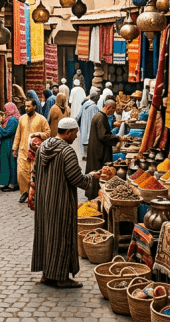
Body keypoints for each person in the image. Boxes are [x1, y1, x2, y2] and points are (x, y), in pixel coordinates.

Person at [31, 117, 100, 288]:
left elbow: (35, 172)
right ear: (67, 132)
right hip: (60, 202)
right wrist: (92, 176)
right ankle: (62, 279)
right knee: (61, 238)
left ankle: (46, 275)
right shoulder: (67, 152)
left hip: (44, 201)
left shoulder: (43, 147)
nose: (76, 137)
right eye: (75, 133)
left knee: (46, 236)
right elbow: (77, 179)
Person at [13, 97, 51, 204]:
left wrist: (39, 134)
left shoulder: (41, 119)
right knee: (21, 173)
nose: (26, 108)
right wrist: (14, 148)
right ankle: (25, 192)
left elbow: (48, 133)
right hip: (23, 150)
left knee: (34, 174)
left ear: (34, 106)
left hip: (35, 152)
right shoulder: (22, 119)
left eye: (29, 106)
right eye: (25, 106)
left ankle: (33, 193)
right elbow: (18, 134)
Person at [84, 99, 123, 199]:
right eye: (113, 109)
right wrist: (118, 138)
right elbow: (103, 136)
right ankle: (96, 195)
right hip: (99, 151)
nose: (113, 112)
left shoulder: (99, 116)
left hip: (96, 149)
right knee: (99, 172)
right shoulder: (101, 117)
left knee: (96, 171)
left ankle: (93, 194)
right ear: (108, 107)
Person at [0, 102, 20, 191]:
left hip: (10, 144)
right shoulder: (9, 119)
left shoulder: (13, 120)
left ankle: (13, 184)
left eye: (6, 110)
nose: (5, 112)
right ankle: (7, 182)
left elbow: (7, 132)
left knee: (11, 163)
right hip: (6, 144)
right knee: (6, 164)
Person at [76, 92, 100, 159]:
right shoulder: (94, 106)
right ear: (95, 98)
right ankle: (89, 155)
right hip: (91, 125)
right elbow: (96, 117)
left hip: (84, 124)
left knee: (85, 139)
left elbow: (78, 116)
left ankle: (85, 155)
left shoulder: (85, 104)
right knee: (90, 139)